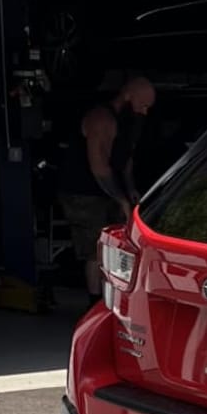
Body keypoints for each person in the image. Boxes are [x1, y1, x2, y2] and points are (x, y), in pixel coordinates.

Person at [57, 71, 155, 296]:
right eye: (142, 105)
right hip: (83, 193)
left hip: (109, 191)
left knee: (122, 243)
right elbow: (99, 167)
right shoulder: (101, 119)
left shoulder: (131, 124)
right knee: (95, 248)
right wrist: (120, 199)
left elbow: (126, 159)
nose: (144, 111)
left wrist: (129, 189)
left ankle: (118, 293)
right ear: (129, 96)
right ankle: (95, 300)